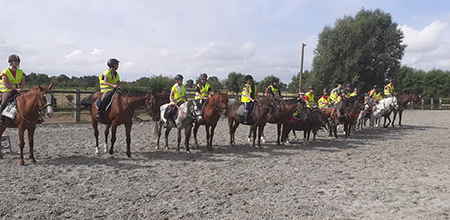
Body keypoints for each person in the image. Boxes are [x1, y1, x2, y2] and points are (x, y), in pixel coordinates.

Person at [0, 54, 25, 125]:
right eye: (15, 61)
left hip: (18, 90)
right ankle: (1, 118)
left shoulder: (21, 72)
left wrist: (21, 89)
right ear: (10, 62)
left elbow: (23, 82)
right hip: (7, 91)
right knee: (4, 102)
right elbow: (5, 83)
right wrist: (16, 89)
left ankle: (36, 117)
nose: (17, 63)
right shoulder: (5, 72)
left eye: (18, 61)